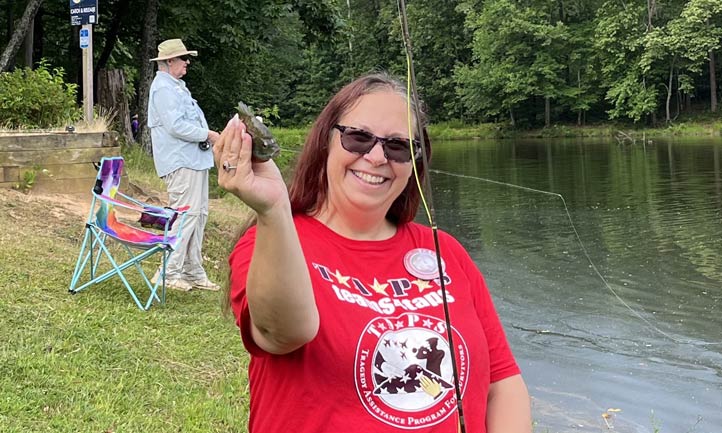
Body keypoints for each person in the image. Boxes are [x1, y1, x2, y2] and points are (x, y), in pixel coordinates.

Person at [214, 73, 531, 432]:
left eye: (398, 146)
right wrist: (274, 210)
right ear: (326, 142)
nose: (377, 157)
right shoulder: (273, 240)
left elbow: (502, 383)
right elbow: (282, 333)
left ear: (415, 161)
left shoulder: (447, 252)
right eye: (359, 138)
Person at [147, 38, 221, 292]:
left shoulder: (176, 86)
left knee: (198, 216)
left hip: (194, 160)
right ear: (170, 61)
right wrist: (208, 135)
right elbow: (175, 126)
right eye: (183, 58)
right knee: (185, 214)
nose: (187, 62)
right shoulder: (163, 88)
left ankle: (193, 270)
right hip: (180, 161)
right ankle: (168, 272)